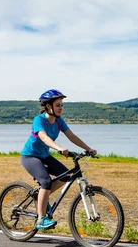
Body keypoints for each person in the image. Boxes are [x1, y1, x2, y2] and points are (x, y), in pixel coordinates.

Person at [21, 89, 97, 230]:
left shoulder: (58, 121)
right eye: (58, 105)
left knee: (66, 175)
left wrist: (88, 149)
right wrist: (59, 148)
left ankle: (41, 197)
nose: (61, 108)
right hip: (30, 157)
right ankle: (41, 219)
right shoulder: (39, 120)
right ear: (49, 106)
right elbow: (44, 137)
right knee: (46, 181)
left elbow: (72, 136)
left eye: (62, 105)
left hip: (44, 156)